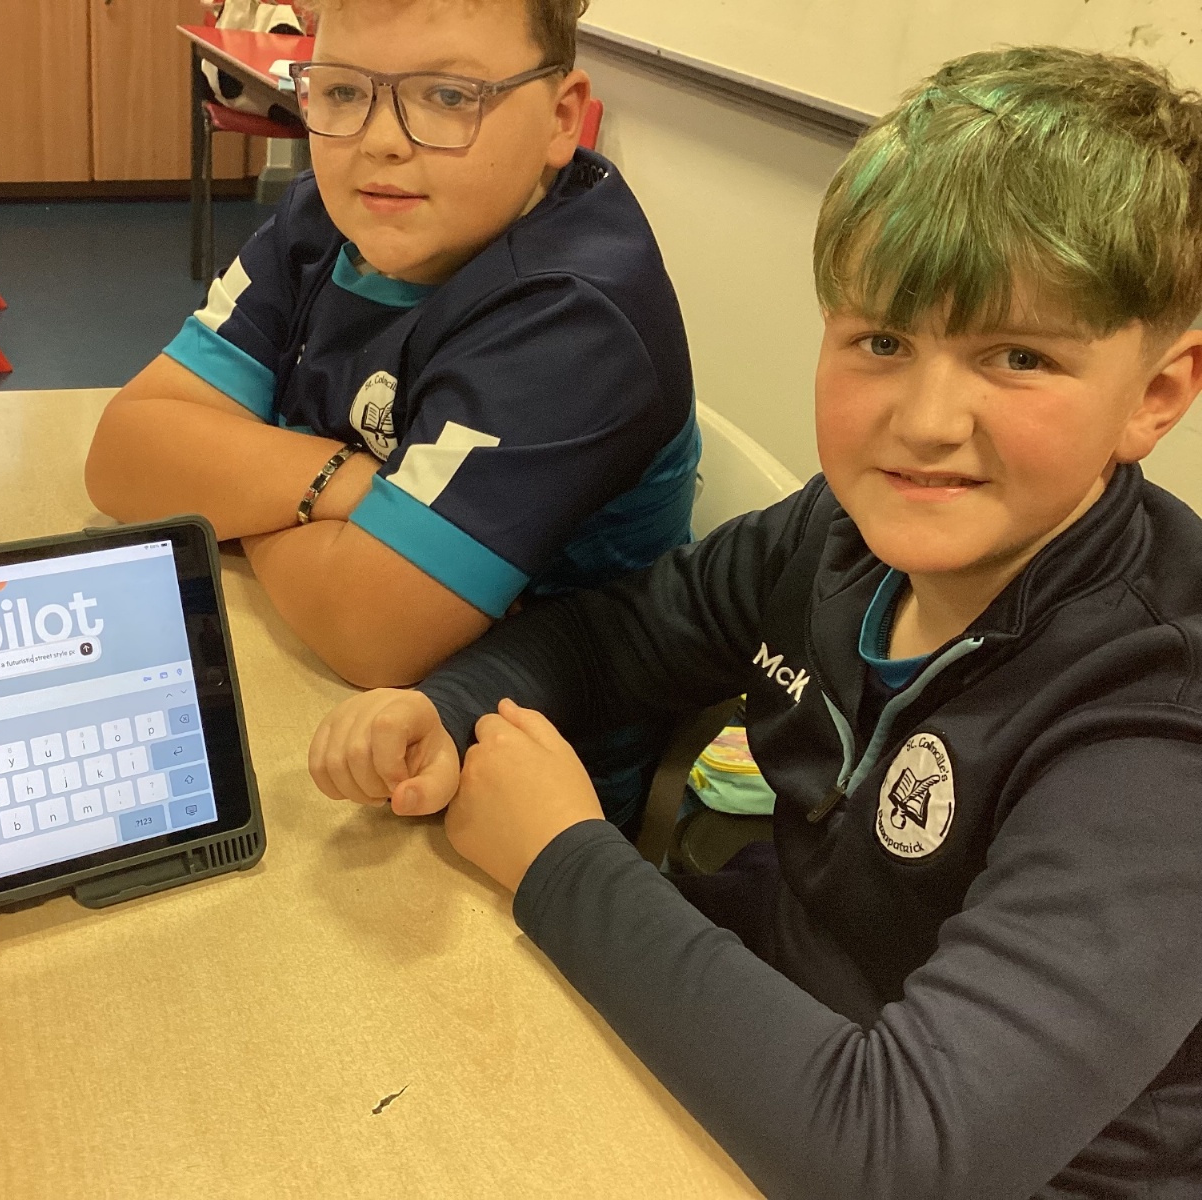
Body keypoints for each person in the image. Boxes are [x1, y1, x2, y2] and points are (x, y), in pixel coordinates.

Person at [308, 47, 1202, 1197]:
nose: (925, 420)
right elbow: (610, 641)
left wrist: (558, 856)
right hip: (777, 1035)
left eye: (1018, 357)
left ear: (1154, 397)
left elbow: (901, 1157)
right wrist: (442, 710)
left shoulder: (1159, 725)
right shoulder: (835, 533)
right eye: (881, 341)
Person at [84, 0, 699, 833]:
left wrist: (241, 490)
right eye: (343, 92)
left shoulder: (574, 318)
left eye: (448, 96)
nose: (379, 141)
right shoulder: (332, 216)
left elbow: (370, 633)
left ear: (561, 118)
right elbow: (124, 455)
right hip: (310, 692)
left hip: (504, 793)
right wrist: (342, 483)